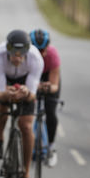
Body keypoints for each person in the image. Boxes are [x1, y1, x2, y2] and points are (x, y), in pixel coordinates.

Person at [0, 30, 44, 178]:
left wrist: (26, 93)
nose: (17, 58)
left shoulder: (35, 58)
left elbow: (33, 93)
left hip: (26, 81)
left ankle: (26, 176)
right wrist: (8, 94)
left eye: (21, 55)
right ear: (8, 49)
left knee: (26, 126)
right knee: (2, 105)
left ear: (27, 52)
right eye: (13, 54)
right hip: (4, 79)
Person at [30, 29, 61, 167]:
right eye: (38, 50)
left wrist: (48, 87)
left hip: (48, 77)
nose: (41, 53)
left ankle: (51, 147)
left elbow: (55, 85)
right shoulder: (27, 56)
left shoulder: (53, 55)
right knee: (27, 110)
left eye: (44, 49)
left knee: (51, 112)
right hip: (32, 76)